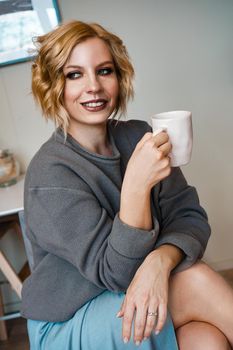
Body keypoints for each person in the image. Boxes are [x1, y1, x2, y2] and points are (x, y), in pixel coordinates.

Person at [21, 20, 233, 350]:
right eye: (74, 74)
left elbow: (188, 217)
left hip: (134, 295)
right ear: (52, 85)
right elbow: (116, 272)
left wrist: (160, 260)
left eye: (104, 71)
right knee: (194, 281)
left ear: (119, 78)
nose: (93, 86)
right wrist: (136, 185)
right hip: (68, 322)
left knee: (207, 340)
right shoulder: (50, 174)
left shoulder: (138, 136)